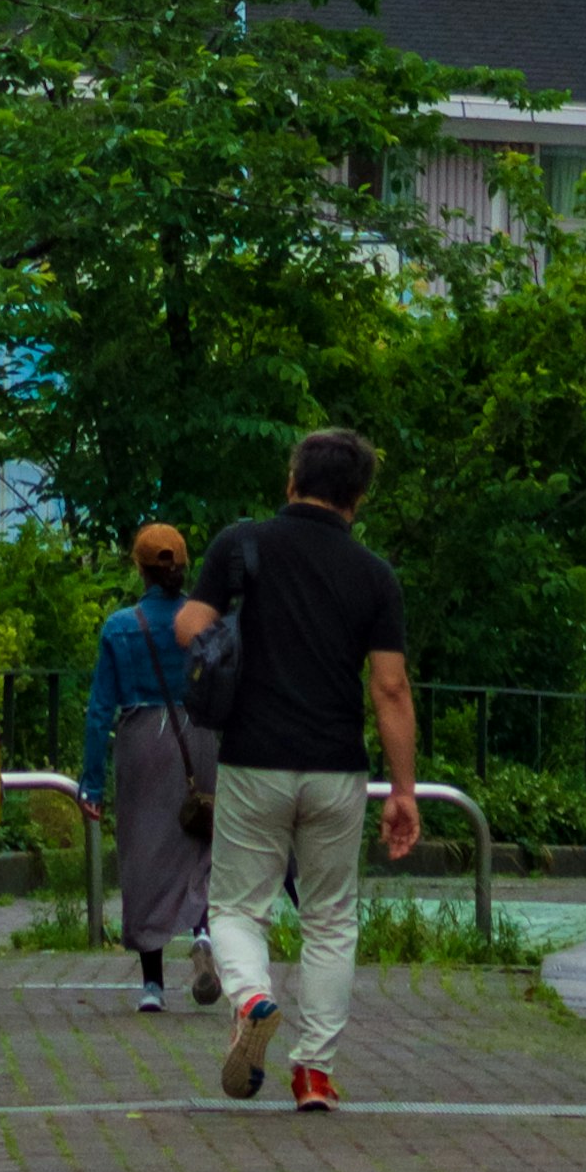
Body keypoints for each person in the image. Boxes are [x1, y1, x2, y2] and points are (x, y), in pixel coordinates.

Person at [176, 424, 416, 1114]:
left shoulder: (241, 545)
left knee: (235, 907)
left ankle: (251, 997)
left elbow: (188, 624)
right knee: (332, 919)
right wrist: (402, 789)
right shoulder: (375, 575)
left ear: (291, 480)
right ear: (359, 497)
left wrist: (235, 641)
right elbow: (391, 687)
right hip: (337, 767)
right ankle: (314, 1072)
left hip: (254, 758)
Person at [80, 521, 217, 1011]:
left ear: (138, 569)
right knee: (201, 838)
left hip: (141, 739)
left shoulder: (120, 627)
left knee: (143, 856)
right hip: (200, 735)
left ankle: (153, 986)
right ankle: (203, 934)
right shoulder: (207, 621)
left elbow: (99, 712)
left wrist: (90, 784)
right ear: (184, 567)